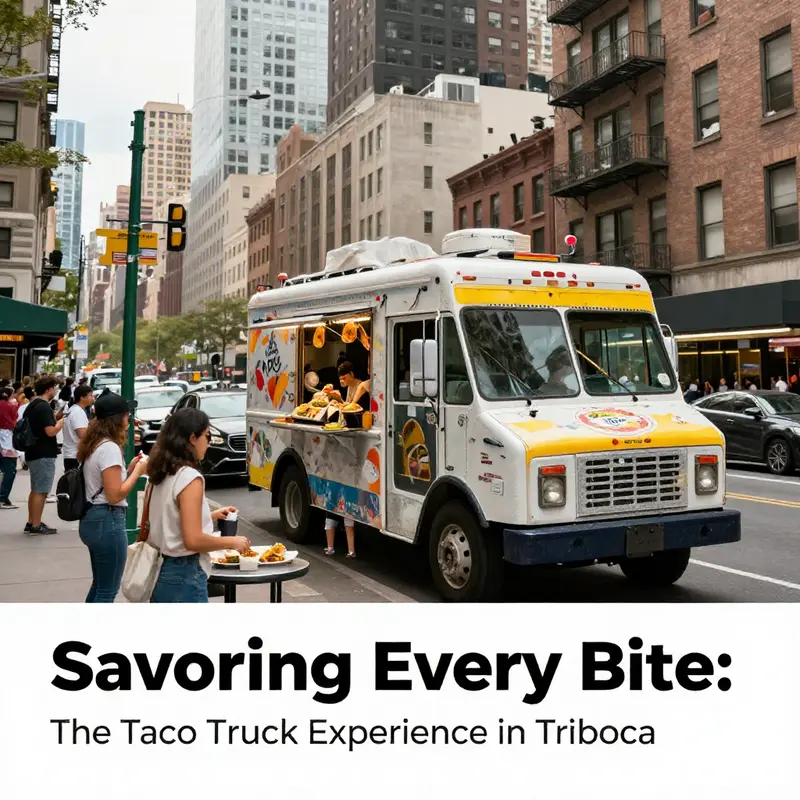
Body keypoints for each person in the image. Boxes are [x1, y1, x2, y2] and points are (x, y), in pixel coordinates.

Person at [147, 408, 247, 603]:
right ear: (193, 438)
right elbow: (192, 540)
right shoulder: (189, 478)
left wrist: (211, 515)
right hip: (185, 573)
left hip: (162, 571)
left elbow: (169, 518)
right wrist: (232, 542)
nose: (209, 443)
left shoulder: (160, 473)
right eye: (207, 436)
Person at [77, 391, 148, 603]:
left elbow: (106, 482)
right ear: (118, 418)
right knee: (107, 591)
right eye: (128, 415)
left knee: (99, 585)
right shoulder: (109, 448)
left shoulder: (96, 443)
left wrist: (129, 468)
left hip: (93, 518)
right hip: (107, 520)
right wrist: (138, 471)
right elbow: (115, 495)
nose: (130, 419)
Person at [23, 376, 65, 535]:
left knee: (35, 489)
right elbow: (50, 431)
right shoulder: (44, 406)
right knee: (41, 491)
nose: (56, 390)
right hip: (43, 453)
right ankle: (36, 524)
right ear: (48, 389)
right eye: (55, 387)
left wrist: (55, 419)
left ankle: (31, 521)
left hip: (33, 451)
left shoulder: (33, 404)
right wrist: (60, 424)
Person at [62, 384, 95, 471]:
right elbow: (83, 435)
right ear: (82, 398)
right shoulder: (78, 412)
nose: (93, 398)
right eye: (91, 395)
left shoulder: (73, 410)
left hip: (70, 455)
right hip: (75, 456)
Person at [0, 387, 19, 510]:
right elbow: (15, 422)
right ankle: (2, 497)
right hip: (6, 439)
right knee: (9, 470)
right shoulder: (11, 407)